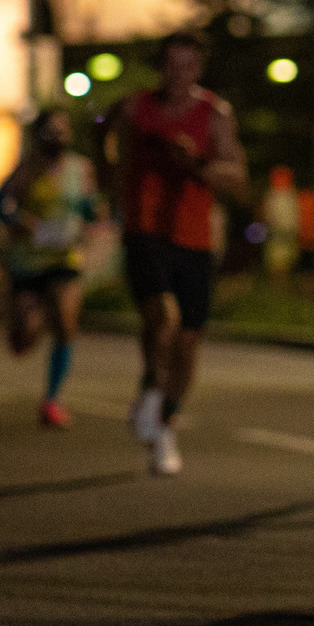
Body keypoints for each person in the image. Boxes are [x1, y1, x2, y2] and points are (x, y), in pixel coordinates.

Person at [113, 33, 247, 475]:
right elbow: (102, 132)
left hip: (193, 236)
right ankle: (152, 395)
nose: (179, 75)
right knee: (162, 318)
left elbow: (236, 175)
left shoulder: (215, 114)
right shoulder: (136, 109)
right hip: (144, 231)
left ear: (199, 69)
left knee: (188, 342)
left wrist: (199, 164)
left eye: (188, 66)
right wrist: (112, 178)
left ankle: (164, 417)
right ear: (160, 67)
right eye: (172, 65)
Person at [0, 107, 106, 427]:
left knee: (66, 325)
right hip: (29, 261)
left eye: (63, 130)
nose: (59, 137)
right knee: (24, 336)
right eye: (52, 131)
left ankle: (51, 399)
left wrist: (93, 213)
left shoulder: (81, 169)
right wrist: (17, 220)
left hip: (65, 258)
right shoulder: (27, 170)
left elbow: (88, 205)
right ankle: (30, 325)